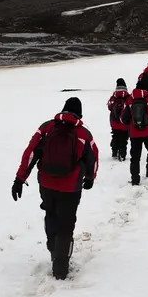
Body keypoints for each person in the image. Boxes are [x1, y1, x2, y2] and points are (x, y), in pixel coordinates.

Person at [12, 97, 99, 279]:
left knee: (51, 215)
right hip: (71, 187)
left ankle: (54, 251)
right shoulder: (84, 134)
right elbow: (93, 158)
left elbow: (30, 153)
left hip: (46, 183)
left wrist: (20, 179)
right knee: (66, 224)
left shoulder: (46, 128)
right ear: (79, 113)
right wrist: (90, 178)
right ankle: (61, 267)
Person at [121, 85, 148, 185]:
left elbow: (123, 119)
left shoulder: (129, 101)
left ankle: (135, 179)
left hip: (134, 134)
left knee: (135, 157)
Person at [107, 78, 131, 161]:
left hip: (114, 122)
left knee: (115, 136)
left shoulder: (114, 97)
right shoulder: (128, 97)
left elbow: (109, 107)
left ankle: (114, 151)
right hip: (124, 122)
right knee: (124, 139)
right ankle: (122, 154)